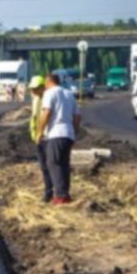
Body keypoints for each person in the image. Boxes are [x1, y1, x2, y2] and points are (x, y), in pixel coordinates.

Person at [35, 73, 82, 204]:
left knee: (53, 163)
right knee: (64, 164)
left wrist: (40, 131)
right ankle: (66, 194)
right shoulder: (69, 94)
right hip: (68, 134)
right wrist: (75, 130)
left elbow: (47, 112)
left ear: (48, 82)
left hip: (55, 133)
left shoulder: (49, 93)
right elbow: (77, 116)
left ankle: (60, 196)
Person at [28, 75, 52, 204]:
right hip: (38, 137)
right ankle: (48, 190)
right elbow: (34, 117)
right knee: (43, 166)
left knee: (50, 165)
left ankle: (51, 192)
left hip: (47, 136)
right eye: (32, 88)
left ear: (43, 87)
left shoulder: (48, 99)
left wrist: (41, 132)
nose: (33, 91)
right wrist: (34, 133)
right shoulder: (36, 99)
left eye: (35, 88)